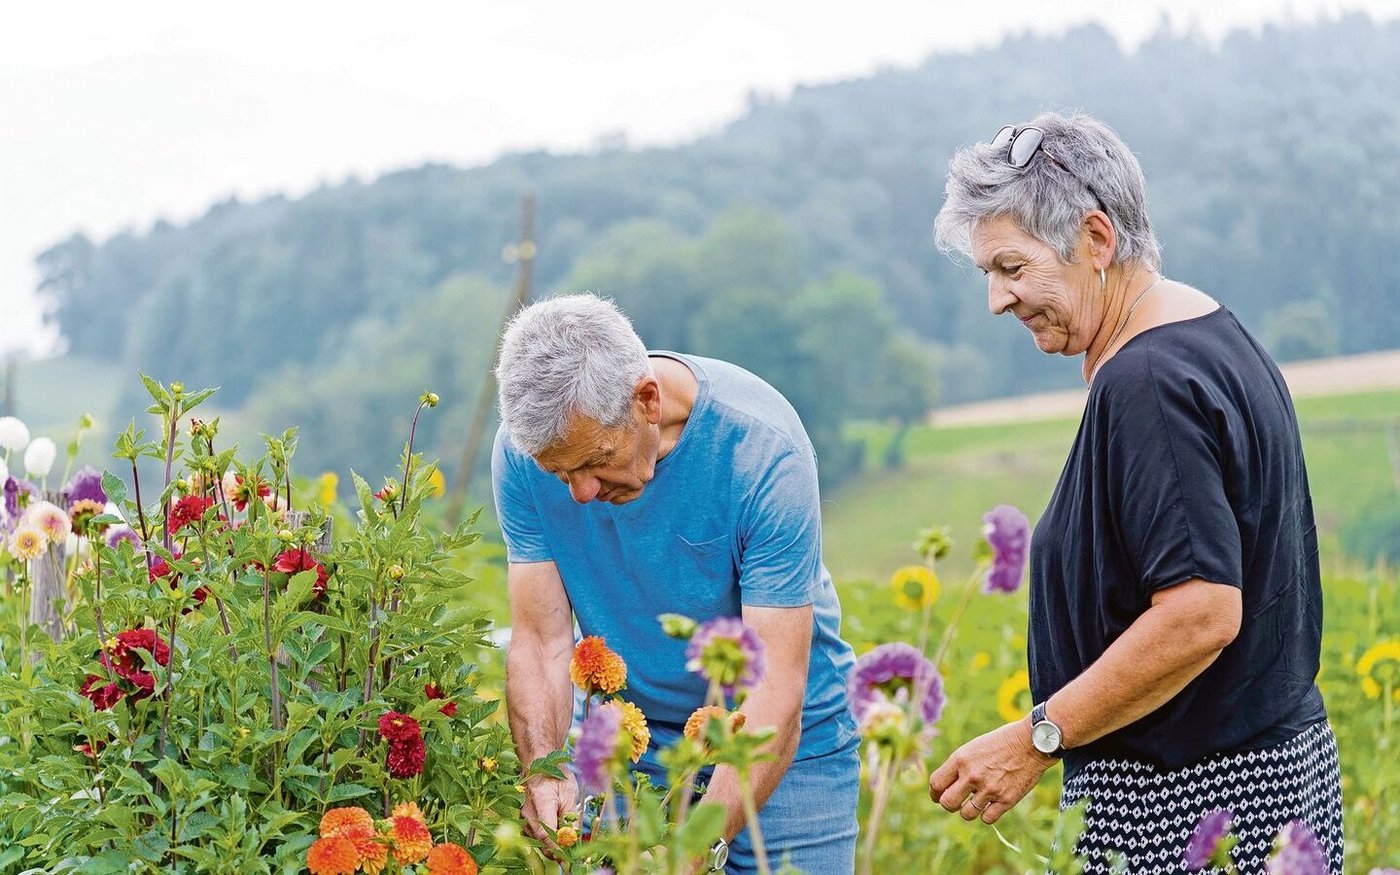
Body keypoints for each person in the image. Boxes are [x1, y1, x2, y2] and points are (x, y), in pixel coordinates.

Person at [925, 113, 1342, 872]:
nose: (996, 299)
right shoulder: (1213, 332)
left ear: (1095, 238)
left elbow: (1201, 611)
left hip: (1195, 807)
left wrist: (1037, 735)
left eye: (1013, 268)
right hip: (1274, 782)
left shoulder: (1146, 381)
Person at [491, 293, 859, 873]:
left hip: (787, 745)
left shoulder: (762, 452)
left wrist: (690, 852)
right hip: (628, 743)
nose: (581, 494)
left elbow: (776, 688)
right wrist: (545, 770)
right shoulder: (525, 454)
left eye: (596, 460)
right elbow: (540, 643)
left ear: (646, 401)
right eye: (559, 473)